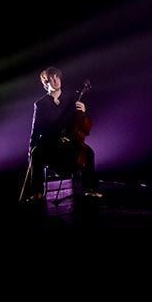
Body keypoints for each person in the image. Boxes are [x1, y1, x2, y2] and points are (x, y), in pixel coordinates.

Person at [24, 66, 102, 201]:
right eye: (50, 79)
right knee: (36, 153)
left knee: (89, 153)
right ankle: (37, 193)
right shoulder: (41, 104)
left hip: (69, 143)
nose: (55, 81)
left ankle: (91, 190)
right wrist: (31, 148)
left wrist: (83, 111)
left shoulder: (71, 99)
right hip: (51, 144)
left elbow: (81, 121)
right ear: (45, 84)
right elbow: (36, 130)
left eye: (57, 77)